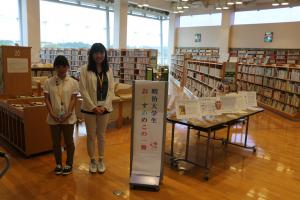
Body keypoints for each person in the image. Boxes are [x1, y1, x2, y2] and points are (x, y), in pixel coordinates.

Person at [79, 43, 114, 174]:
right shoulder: (84, 69)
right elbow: (82, 89)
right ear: (92, 55)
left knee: (101, 135)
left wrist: (104, 106)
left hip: (105, 108)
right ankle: (92, 160)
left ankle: (101, 160)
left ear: (105, 54)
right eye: (96, 53)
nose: (99, 55)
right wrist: (93, 107)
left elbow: (111, 90)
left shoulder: (109, 70)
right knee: (91, 136)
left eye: (101, 53)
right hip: (89, 108)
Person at [44, 55, 79, 175]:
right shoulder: (48, 82)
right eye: (58, 66)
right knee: (56, 143)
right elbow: (47, 99)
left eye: (64, 66)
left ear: (68, 67)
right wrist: (52, 114)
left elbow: (74, 99)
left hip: (68, 118)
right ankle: (58, 164)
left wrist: (68, 113)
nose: (61, 69)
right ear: (55, 67)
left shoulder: (73, 82)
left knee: (69, 142)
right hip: (54, 118)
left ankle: (69, 164)